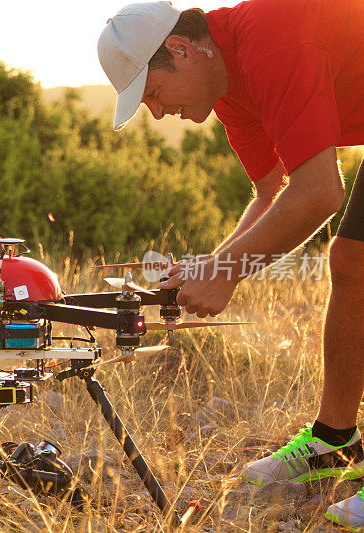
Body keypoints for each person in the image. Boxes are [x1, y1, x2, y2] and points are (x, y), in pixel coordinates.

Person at [98, 0, 364, 529]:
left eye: (152, 93)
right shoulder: (226, 87)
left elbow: (317, 194)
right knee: (354, 261)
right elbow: (272, 193)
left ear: (180, 49)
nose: (155, 112)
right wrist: (207, 265)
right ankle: (335, 445)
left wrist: (226, 272)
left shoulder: (271, 42)